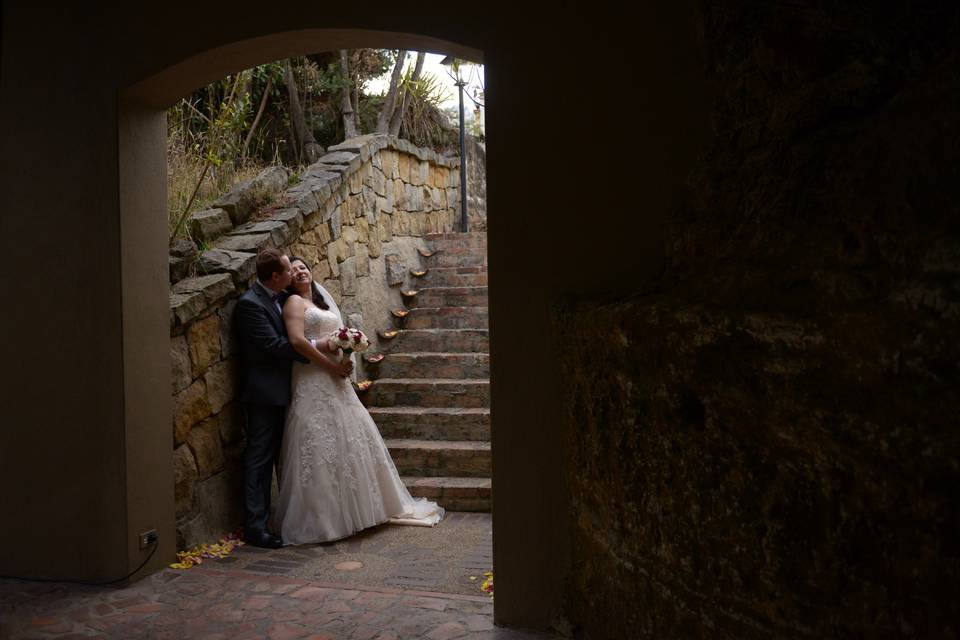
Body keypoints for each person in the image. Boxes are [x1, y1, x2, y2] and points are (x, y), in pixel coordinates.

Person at [274, 256, 444, 544]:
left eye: (303, 266)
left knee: (350, 437)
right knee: (318, 441)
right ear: (287, 279)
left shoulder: (322, 304)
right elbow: (297, 342)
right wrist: (330, 363)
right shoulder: (293, 304)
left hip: (336, 380)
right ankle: (324, 519)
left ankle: (363, 510)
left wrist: (347, 353)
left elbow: (336, 337)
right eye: (293, 270)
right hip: (312, 379)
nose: (299, 271)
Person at [234, 249, 352, 548]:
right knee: (260, 458)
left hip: (289, 388)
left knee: (288, 456)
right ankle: (256, 527)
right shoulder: (250, 305)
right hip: (266, 394)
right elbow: (276, 345)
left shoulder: (277, 299)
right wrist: (324, 345)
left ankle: (289, 516)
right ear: (276, 277)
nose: (292, 275)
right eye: (288, 271)